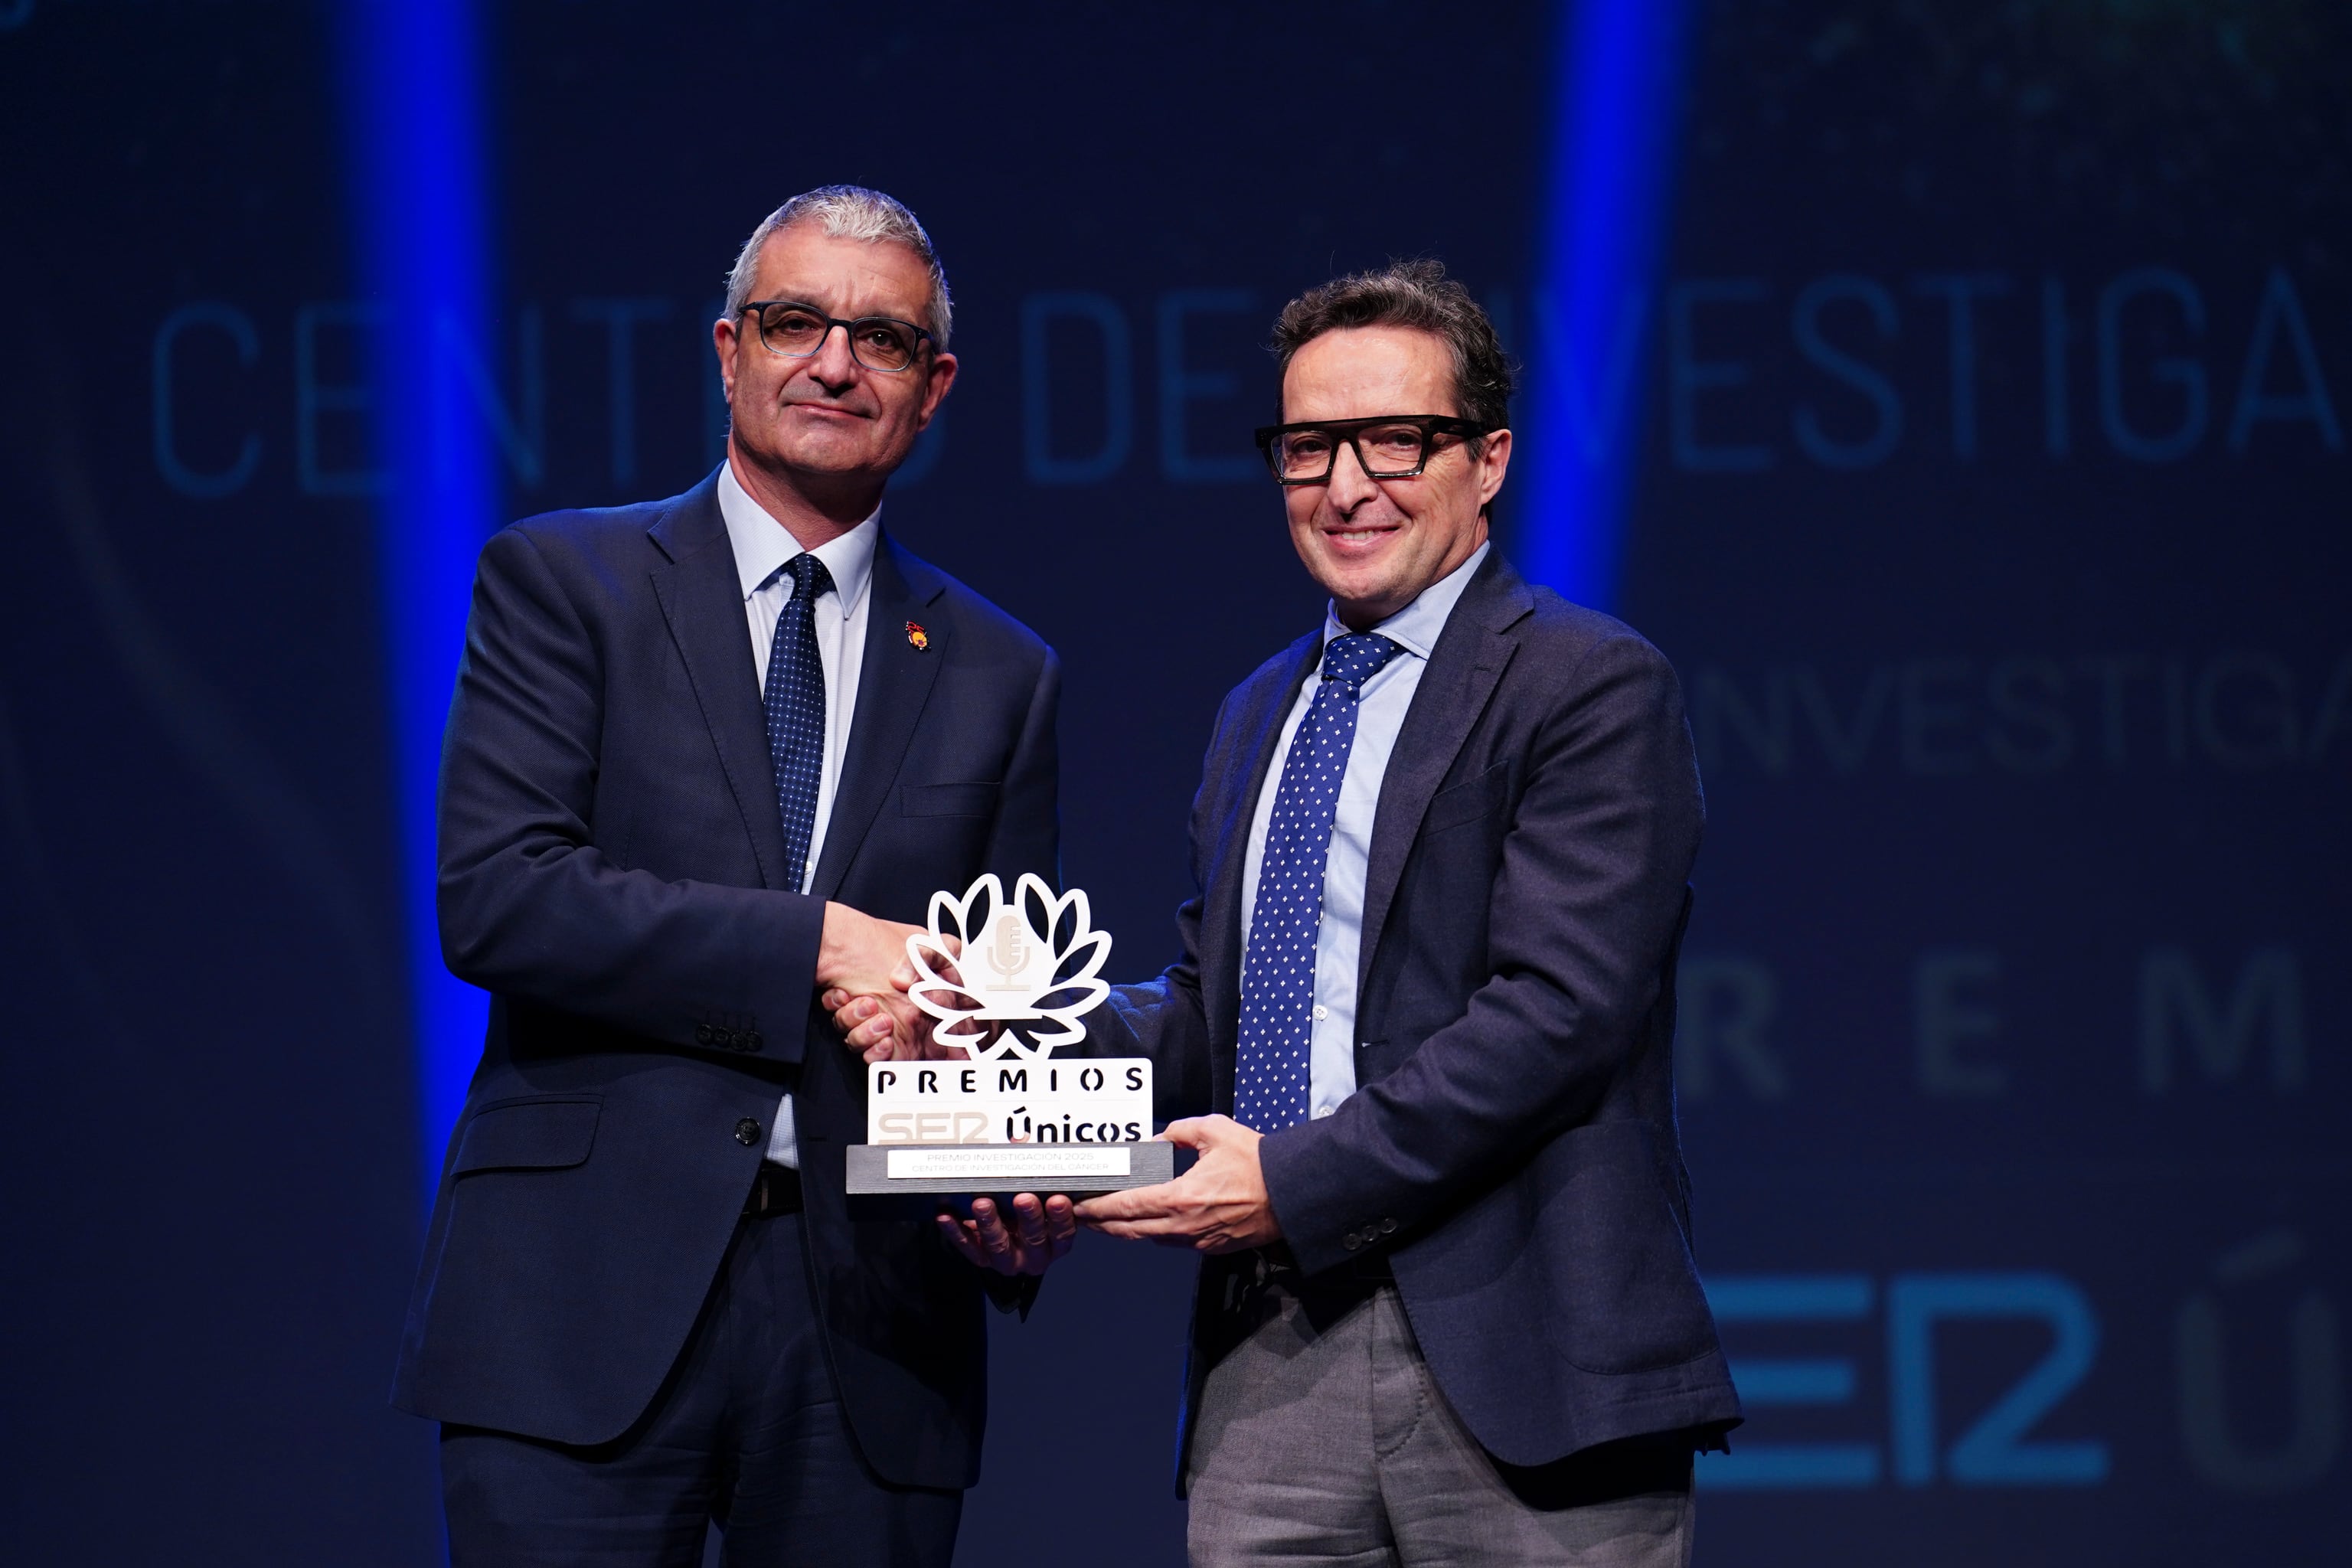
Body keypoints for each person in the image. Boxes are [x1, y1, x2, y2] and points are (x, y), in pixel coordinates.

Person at [841, 259, 1740, 1564]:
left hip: (1522, 1352)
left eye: (1397, 440)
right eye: (1310, 446)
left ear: (1488, 461)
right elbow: (1213, 1016)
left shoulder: (1588, 684)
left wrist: (1292, 1182)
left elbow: (1559, 1015)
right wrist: (993, 1047)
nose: (1347, 484)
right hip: (1272, 1357)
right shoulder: (1261, 710)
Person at [393, 185, 1075, 1567]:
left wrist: (1004, 1193)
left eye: (882, 339)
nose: (834, 362)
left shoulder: (1002, 671)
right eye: (794, 322)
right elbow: (503, 896)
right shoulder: (566, 580)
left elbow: (992, 1009)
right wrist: (819, 942)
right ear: (728, 349)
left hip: (871, 1333)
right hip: (578, 1304)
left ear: (933, 387)